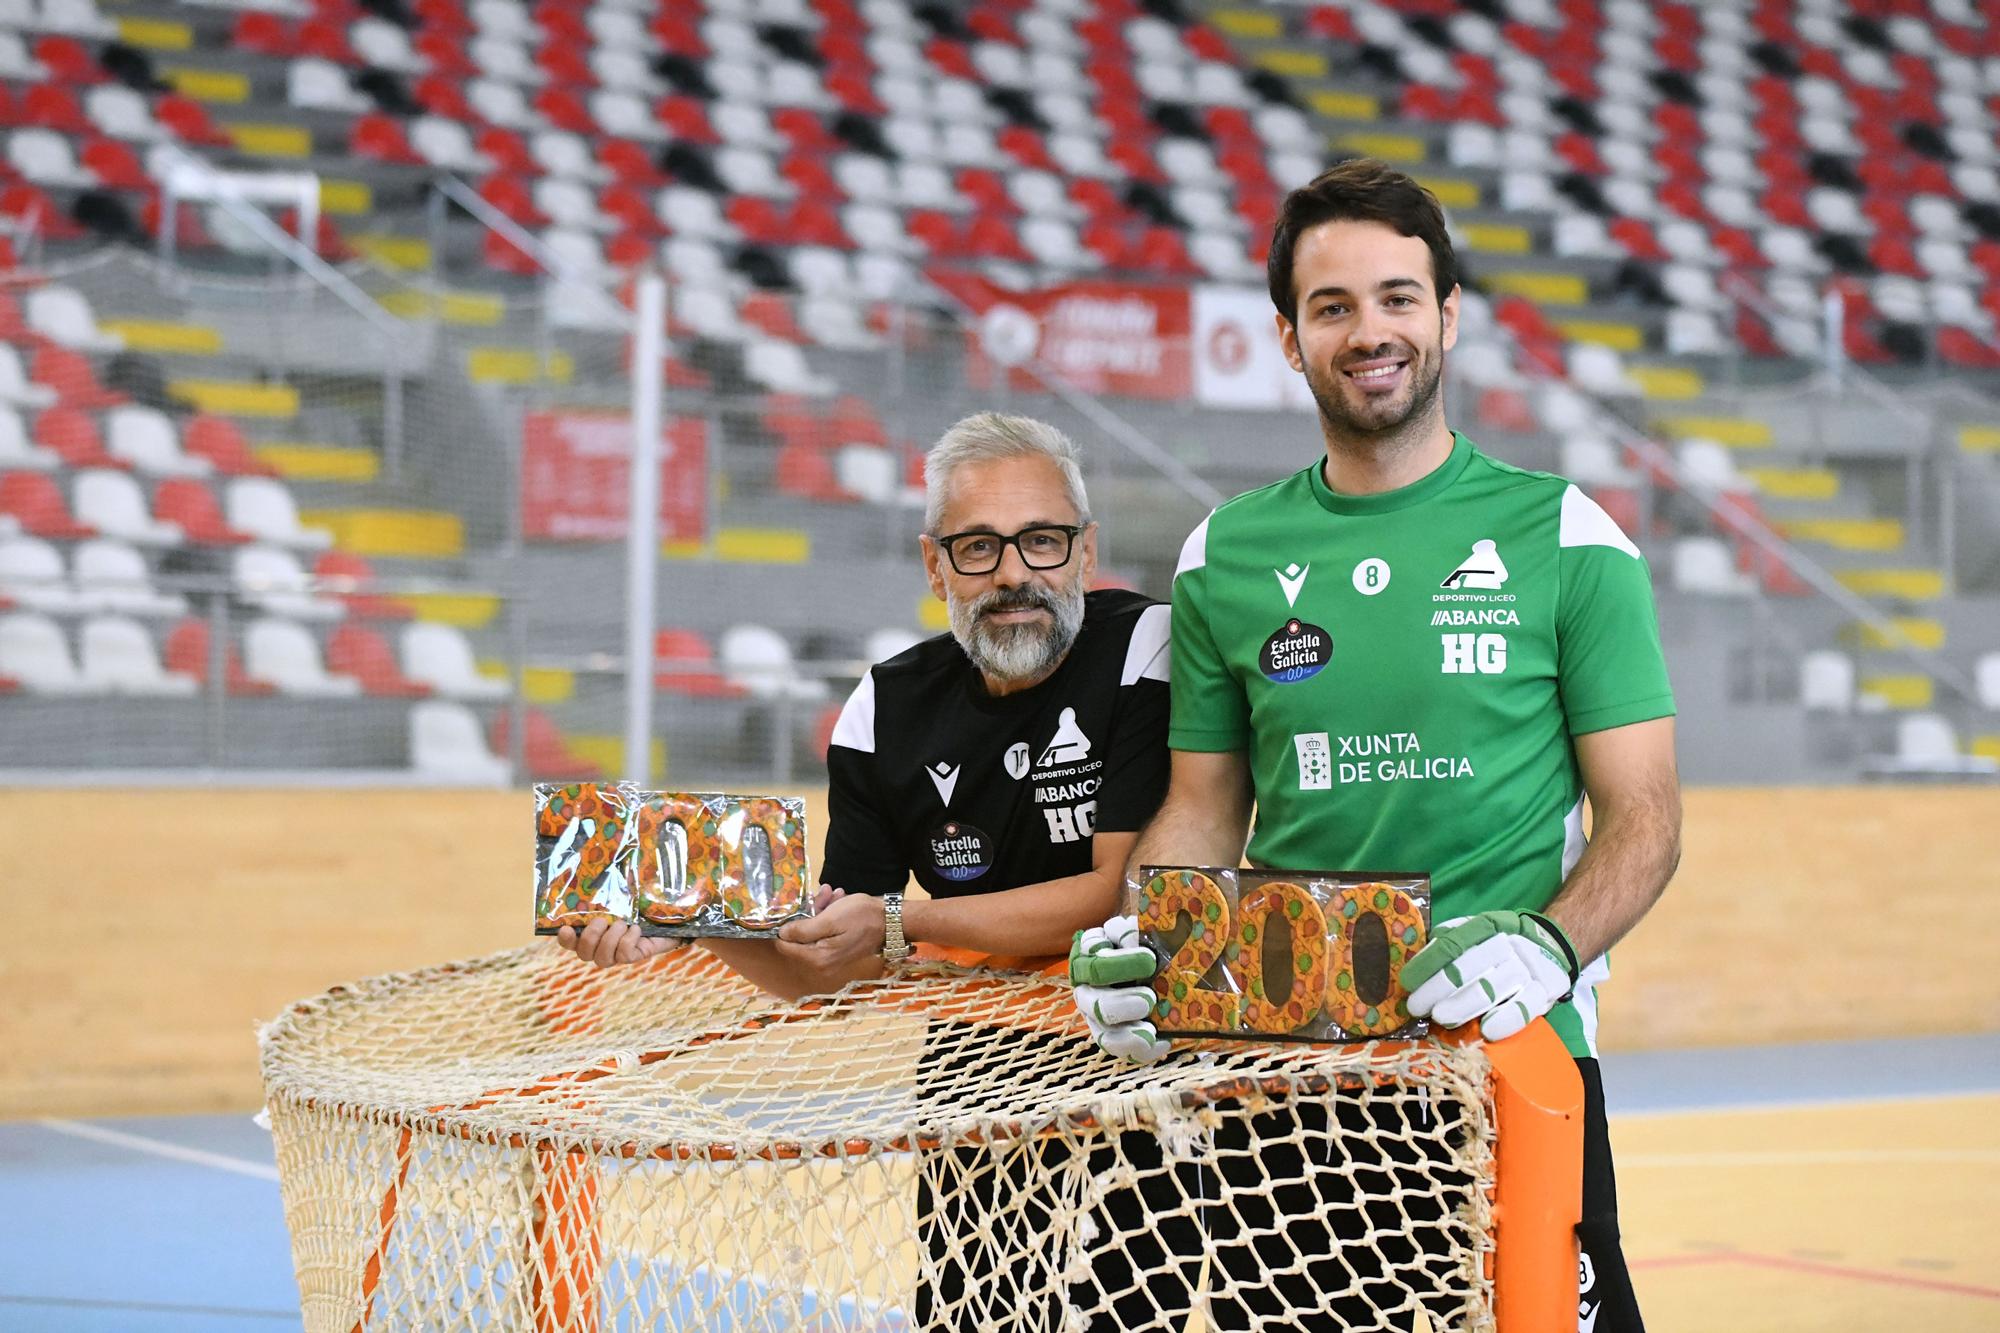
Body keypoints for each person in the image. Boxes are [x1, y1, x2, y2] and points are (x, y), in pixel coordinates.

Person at [1071, 158, 1681, 1333]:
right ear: (1289, 339)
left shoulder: (1564, 534)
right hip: (1288, 1082)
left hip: (1505, 1064)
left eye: (1398, 297)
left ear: (1447, 316)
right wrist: (1146, 935)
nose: (1369, 331)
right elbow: (1203, 809)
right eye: (1332, 306)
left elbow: (1644, 820)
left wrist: (1546, 947)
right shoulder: (1222, 555)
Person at [559, 411, 1179, 1327]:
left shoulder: (1146, 647)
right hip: (980, 1062)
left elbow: (1112, 896)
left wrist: (907, 922)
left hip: (1140, 1040)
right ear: (935, 567)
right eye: (977, 547)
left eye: (1041, 542)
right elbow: (829, 966)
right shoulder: (884, 706)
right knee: (971, 1315)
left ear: (1086, 553)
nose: (1014, 574)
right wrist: (689, 918)